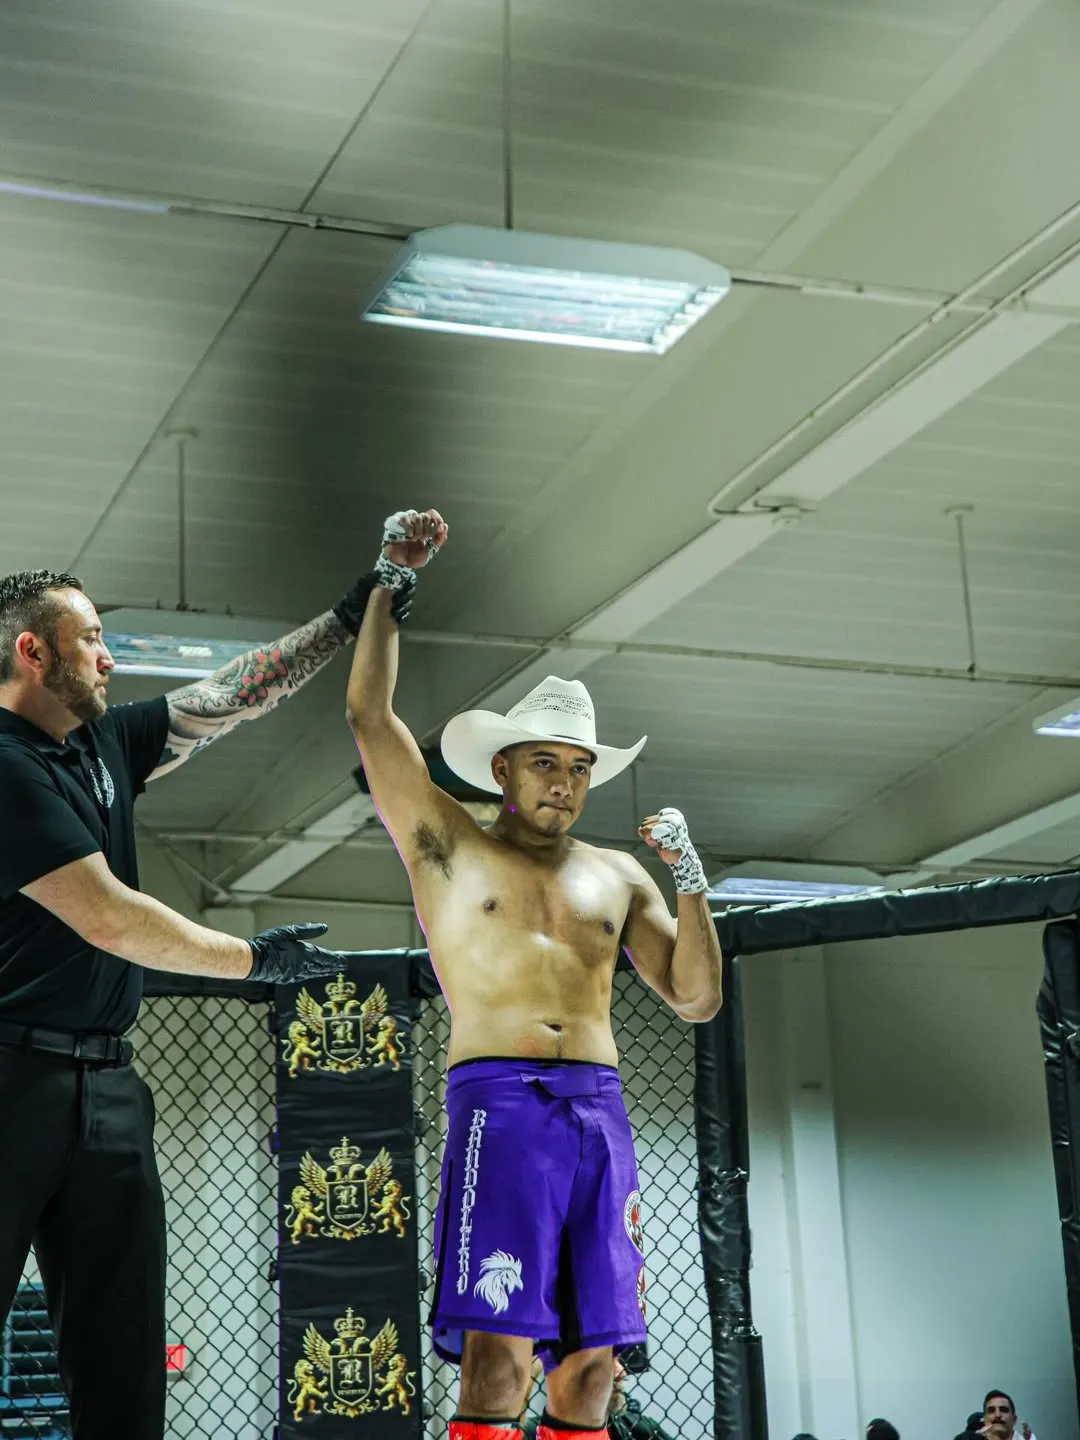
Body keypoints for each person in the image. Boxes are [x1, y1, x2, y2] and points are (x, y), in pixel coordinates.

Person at [0, 561, 412, 1440]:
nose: (109, 658)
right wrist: (251, 960)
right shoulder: (3, 766)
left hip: (108, 1087)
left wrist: (348, 615)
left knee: (122, 1360)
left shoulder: (99, 744)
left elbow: (232, 694)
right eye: (92, 639)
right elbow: (110, 918)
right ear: (32, 652)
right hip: (8, 1079)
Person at [347, 509, 723, 1440]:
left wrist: (692, 882)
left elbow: (695, 996)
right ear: (503, 769)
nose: (564, 781)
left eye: (579, 768)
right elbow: (368, 717)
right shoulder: (449, 847)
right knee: (497, 1355)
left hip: (600, 1105)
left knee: (594, 1367)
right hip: (500, 1100)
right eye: (546, 764)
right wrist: (391, 578)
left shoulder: (618, 875)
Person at [523, 1357, 675, 1440]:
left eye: (618, 1358)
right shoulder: (532, 1433)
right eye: (608, 1361)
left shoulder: (639, 1430)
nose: (622, 1373)